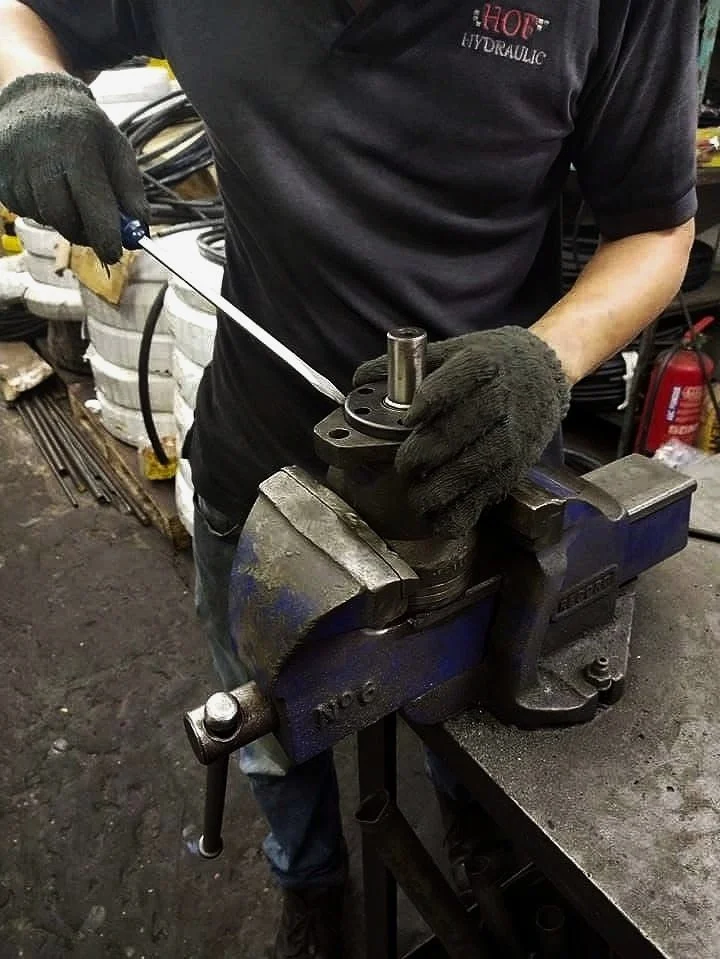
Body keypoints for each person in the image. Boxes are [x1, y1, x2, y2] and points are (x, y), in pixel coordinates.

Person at [0, 1, 699, 955]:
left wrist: (548, 358)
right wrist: (31, 92)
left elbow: (656, 230)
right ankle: (310, 884)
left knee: (480, 740)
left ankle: (477, 844)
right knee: (274, 730)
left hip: (479, 474)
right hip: (263, 467)